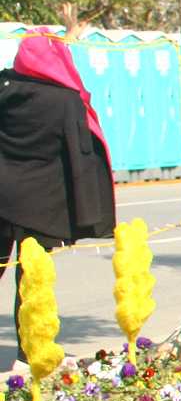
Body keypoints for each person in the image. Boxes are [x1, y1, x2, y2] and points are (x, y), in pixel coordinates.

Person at [0, 34, 115, 321]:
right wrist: (87, 213)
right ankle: (29, 355)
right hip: (40, 206)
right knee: (32, 280)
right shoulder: (65, 100)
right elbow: (80, 157)